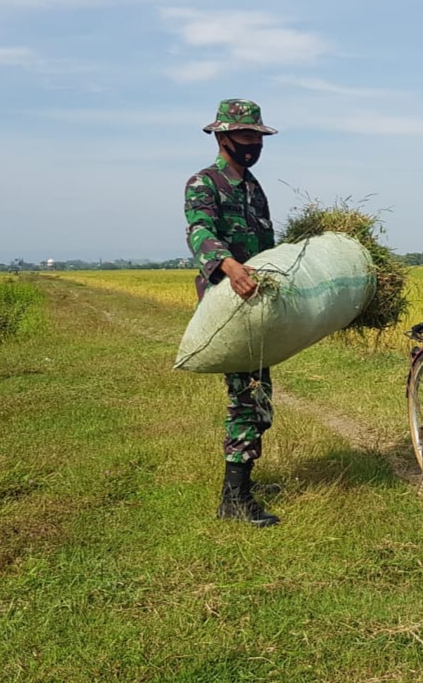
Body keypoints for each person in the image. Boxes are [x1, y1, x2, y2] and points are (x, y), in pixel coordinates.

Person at [184, 99, 281, 527]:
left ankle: (243, 485)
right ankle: (233, 500)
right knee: (246, 397)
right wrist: (227, 264)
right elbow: (200, 229)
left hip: (257, 301)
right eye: (245, 137)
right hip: (228, 302)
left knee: (259, 394)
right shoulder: (203, 183)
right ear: (222, 137)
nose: (252, 145)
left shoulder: (253, 187)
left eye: (257, 138)